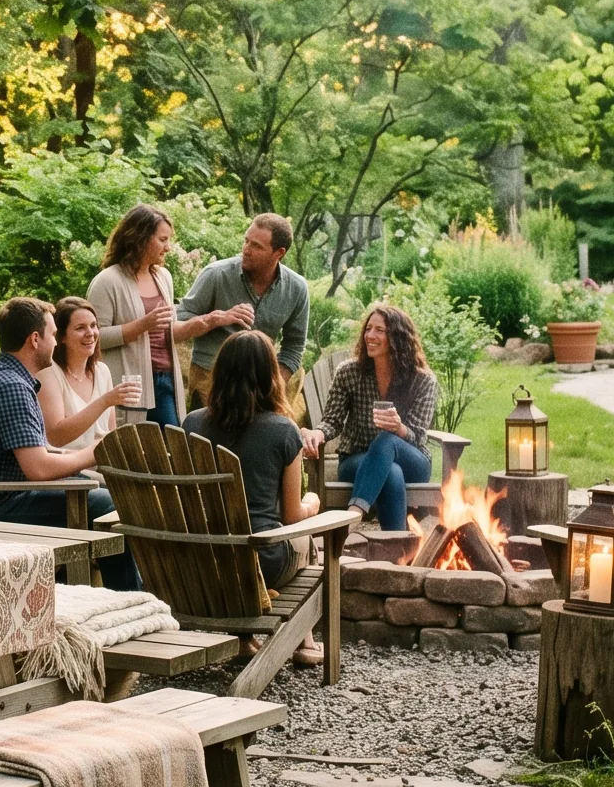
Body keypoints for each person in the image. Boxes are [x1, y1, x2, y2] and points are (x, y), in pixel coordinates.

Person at [0, 297, 116, 531]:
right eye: (53, 335)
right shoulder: (10, 386)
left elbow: (37, 453)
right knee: (109, 505)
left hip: (4, 494)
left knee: (109, 493)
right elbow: (39, 469)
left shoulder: (6, 376)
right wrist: (99, 451)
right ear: (35, 340)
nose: (56, 343)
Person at [182, 331, 318, 595]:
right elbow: (291, 516)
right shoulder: (284, 430)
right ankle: (306, 638)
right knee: (308, 542)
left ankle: (245, 637)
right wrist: (312, 503)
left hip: (203, 561)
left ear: (219, 371)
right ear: (270, 375)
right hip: (261, 562)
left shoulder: (191, 423)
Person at [89, 205, 221, 428]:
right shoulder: (107, 281)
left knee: (174, 445)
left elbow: (169, 332)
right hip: (129, 384)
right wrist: (142, 325)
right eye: (162, 239)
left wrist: (210, 321)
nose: (168, 247)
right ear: (139, 238)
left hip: (166, 379)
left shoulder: (163, 277)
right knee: (131, 453)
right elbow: (94, 338)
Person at [318, 304, 439, 532]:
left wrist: (399, 428)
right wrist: (317, 433)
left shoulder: (422, 381)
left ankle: (354, 514)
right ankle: (398, 548)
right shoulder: (349, 372)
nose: (370, 336)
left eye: (379, 330)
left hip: (413, 460)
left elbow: (418, 436)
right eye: (368, 328)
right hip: (356, 460)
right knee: (391, 471)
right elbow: (332, 420)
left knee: (387, 439)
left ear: (398, 338)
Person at [176, 213, 311, 414]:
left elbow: (295, 345)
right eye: (246, 241)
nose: (246, 250)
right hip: (210, 380)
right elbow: (178, 323)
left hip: (260, 384)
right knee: (207, 443)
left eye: (256, 246)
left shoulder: (297, 288)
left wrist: (274, 385)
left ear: (279, 253)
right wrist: (216, 319)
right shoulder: (216, 274)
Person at [39, 297, 144, 451]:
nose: (90, 333)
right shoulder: (48, 373)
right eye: (80, 328)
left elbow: (110, 434)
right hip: (69, 467)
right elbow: (55, 437)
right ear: (61, 337)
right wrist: (105, 401)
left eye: (93, 326)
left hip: (103, 464)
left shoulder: (102, 371)